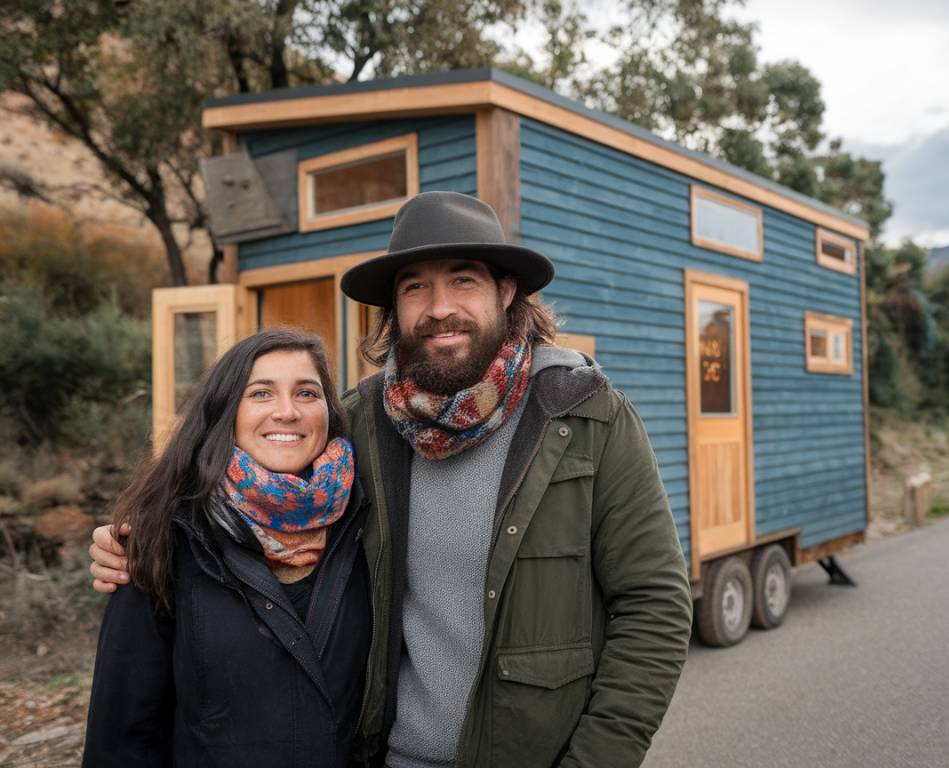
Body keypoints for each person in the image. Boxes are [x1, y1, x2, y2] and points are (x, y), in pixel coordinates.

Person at [91, 191, 692, 767]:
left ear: (506, 292)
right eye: (415, 287)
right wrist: (135, 541)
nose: (439, 308)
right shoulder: (362, 425)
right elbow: (255, 485)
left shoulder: (584, 417)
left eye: (463, 280)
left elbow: (654, 608)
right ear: (393, 309)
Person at [83, 329, 370, 768]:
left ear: (329, 412)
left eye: (307, 393)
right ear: (226, 412)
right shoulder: (166, 538)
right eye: (261, 393)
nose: (287, 412)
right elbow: (122, 735)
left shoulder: (368, 523)